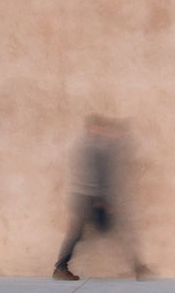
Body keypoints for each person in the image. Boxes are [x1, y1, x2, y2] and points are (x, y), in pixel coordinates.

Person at [52, 114, 151, 280]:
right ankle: (138, 267)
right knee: (120, 228)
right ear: (93, 127)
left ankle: (61, 268)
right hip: (89, 200)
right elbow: (94, 175)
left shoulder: (88, 144)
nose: (104, 130)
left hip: (84, 199)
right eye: (101, 127)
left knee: (80, 233)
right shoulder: (91, 147)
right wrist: (102, 200)